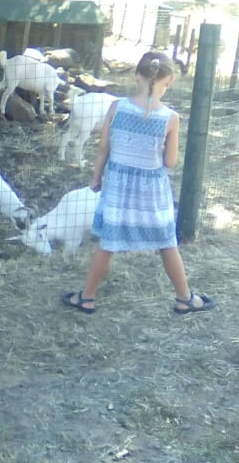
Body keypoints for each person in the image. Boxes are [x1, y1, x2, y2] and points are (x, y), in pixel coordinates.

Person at [62, 50, 215, 315]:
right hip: (152, 193)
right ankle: (184, 298)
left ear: (136, 77)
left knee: (108, 243)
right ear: (168, 83)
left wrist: (96, 177)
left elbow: (102, 149)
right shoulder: (170, 118)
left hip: (117, 188)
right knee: (167, 242)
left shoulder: (116, 108)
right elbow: (169, 162)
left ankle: (87, 298)